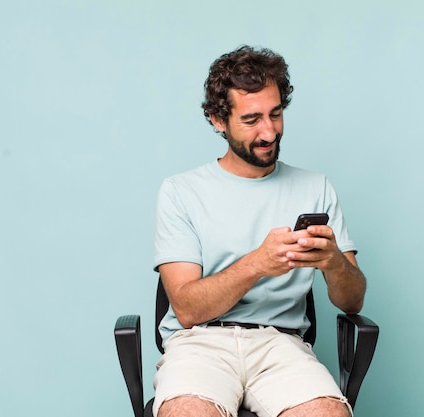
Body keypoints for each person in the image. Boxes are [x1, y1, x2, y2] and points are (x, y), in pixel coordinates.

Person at [152, 45, 367, 417]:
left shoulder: (317, 187)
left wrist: (333, 263)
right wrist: (257, 263)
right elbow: (186, 309)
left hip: (281, 346)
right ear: (218, 120)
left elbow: (353, 302)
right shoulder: (181, 191)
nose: (269, 131)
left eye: (276, 114)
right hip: (200, 344)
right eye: (252, 120)